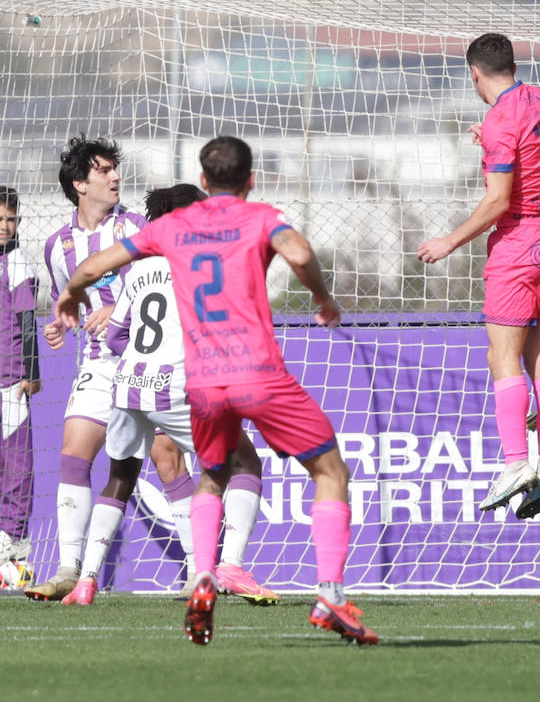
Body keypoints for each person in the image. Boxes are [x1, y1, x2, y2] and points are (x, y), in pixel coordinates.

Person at [55, 136, 377, 645]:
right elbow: (300, 251)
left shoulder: (171, 226)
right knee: (331, 470)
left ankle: (202, 574)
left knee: (211, 474)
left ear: (204, 181)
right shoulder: (262, 216)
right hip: (258, 373)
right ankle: (331, 594)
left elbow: (94, 267)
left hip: (201, 382)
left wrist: (71, 296)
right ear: (250, 180)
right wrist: (322, 296)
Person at [61, 185, 275, 607]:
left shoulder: (137, 269)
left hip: (128, 387)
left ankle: (86, 580)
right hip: (178, 387)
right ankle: (229, 565)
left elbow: (117, 334)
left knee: (120, 477)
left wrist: (145, 358)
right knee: (244, 461)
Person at [418, 32, 540, 519]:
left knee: (500, 356)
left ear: (474, 73)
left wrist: (449, 241)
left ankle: (514, 464)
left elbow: (498, 200)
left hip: (520, 244)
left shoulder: (499, 119)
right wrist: (487, 137)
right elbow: (519, 146)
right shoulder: (538, 100)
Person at [27, 136, 186, 601]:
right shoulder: (57, 246)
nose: (116, 176)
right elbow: (70, 300)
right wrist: (61, 323)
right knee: (73, 455)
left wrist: (121, 312)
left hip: (146, 361)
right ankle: (67, 568)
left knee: (168, 461)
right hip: (98, 364)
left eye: (115, 168)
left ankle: (204, 569)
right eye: (104, 170)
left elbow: (162, 290)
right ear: (80, 184)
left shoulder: (137, 228)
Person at [0, 186, 40, 588]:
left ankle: (12, 548)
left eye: (10, 220)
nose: (5, 227)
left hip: (10, 382)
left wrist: (32, 373)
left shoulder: (19, 265)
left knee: (16, 467)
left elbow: (28, 326)